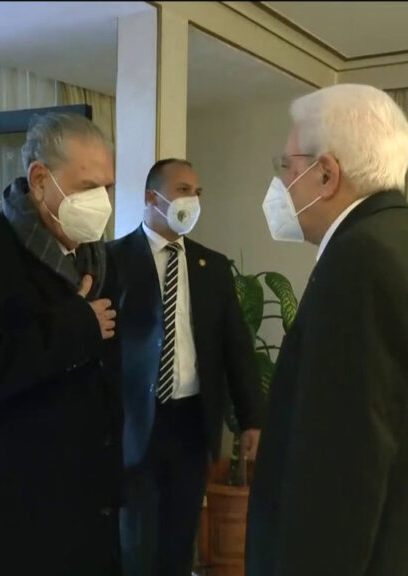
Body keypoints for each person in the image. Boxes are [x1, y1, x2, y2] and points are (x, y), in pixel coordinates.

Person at [244, 84, 408, 575]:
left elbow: (342, 463)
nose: (282, 182)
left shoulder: (361, 259)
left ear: (326, 174)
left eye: (286, 166)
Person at [0, 112, 123, 575]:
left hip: (86, 508)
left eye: (107, 188)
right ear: (40, 180)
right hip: (11, 516)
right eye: (87, 187)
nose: (101, 203)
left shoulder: (99, 257)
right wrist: (72, 325)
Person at [110, 158, 264, 576]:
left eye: (197, 192)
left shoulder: (211, 266)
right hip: (136, 425)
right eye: (182, 190)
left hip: (192, 424)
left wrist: (251, 418)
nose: (192, 201)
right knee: (137, 543)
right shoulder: (113, 260)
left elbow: (236, 347)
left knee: (179, 541)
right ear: (151, 198)